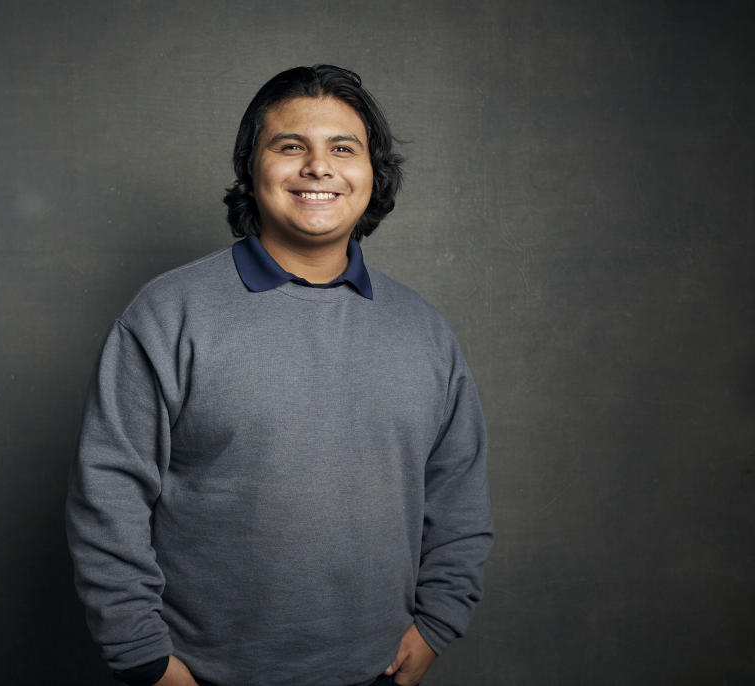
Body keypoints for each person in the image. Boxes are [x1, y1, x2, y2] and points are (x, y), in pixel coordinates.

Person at [66, 64, 493, 686]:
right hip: (200, 675)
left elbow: (459, 496)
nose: (318, 167)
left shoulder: (423, 329)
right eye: (291, 146)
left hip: (375, 671)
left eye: (342, 148)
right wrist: (143, 657)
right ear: (252, 167)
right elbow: (107, 494)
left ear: (373, 174)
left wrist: (437, 623)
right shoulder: (167, 313)